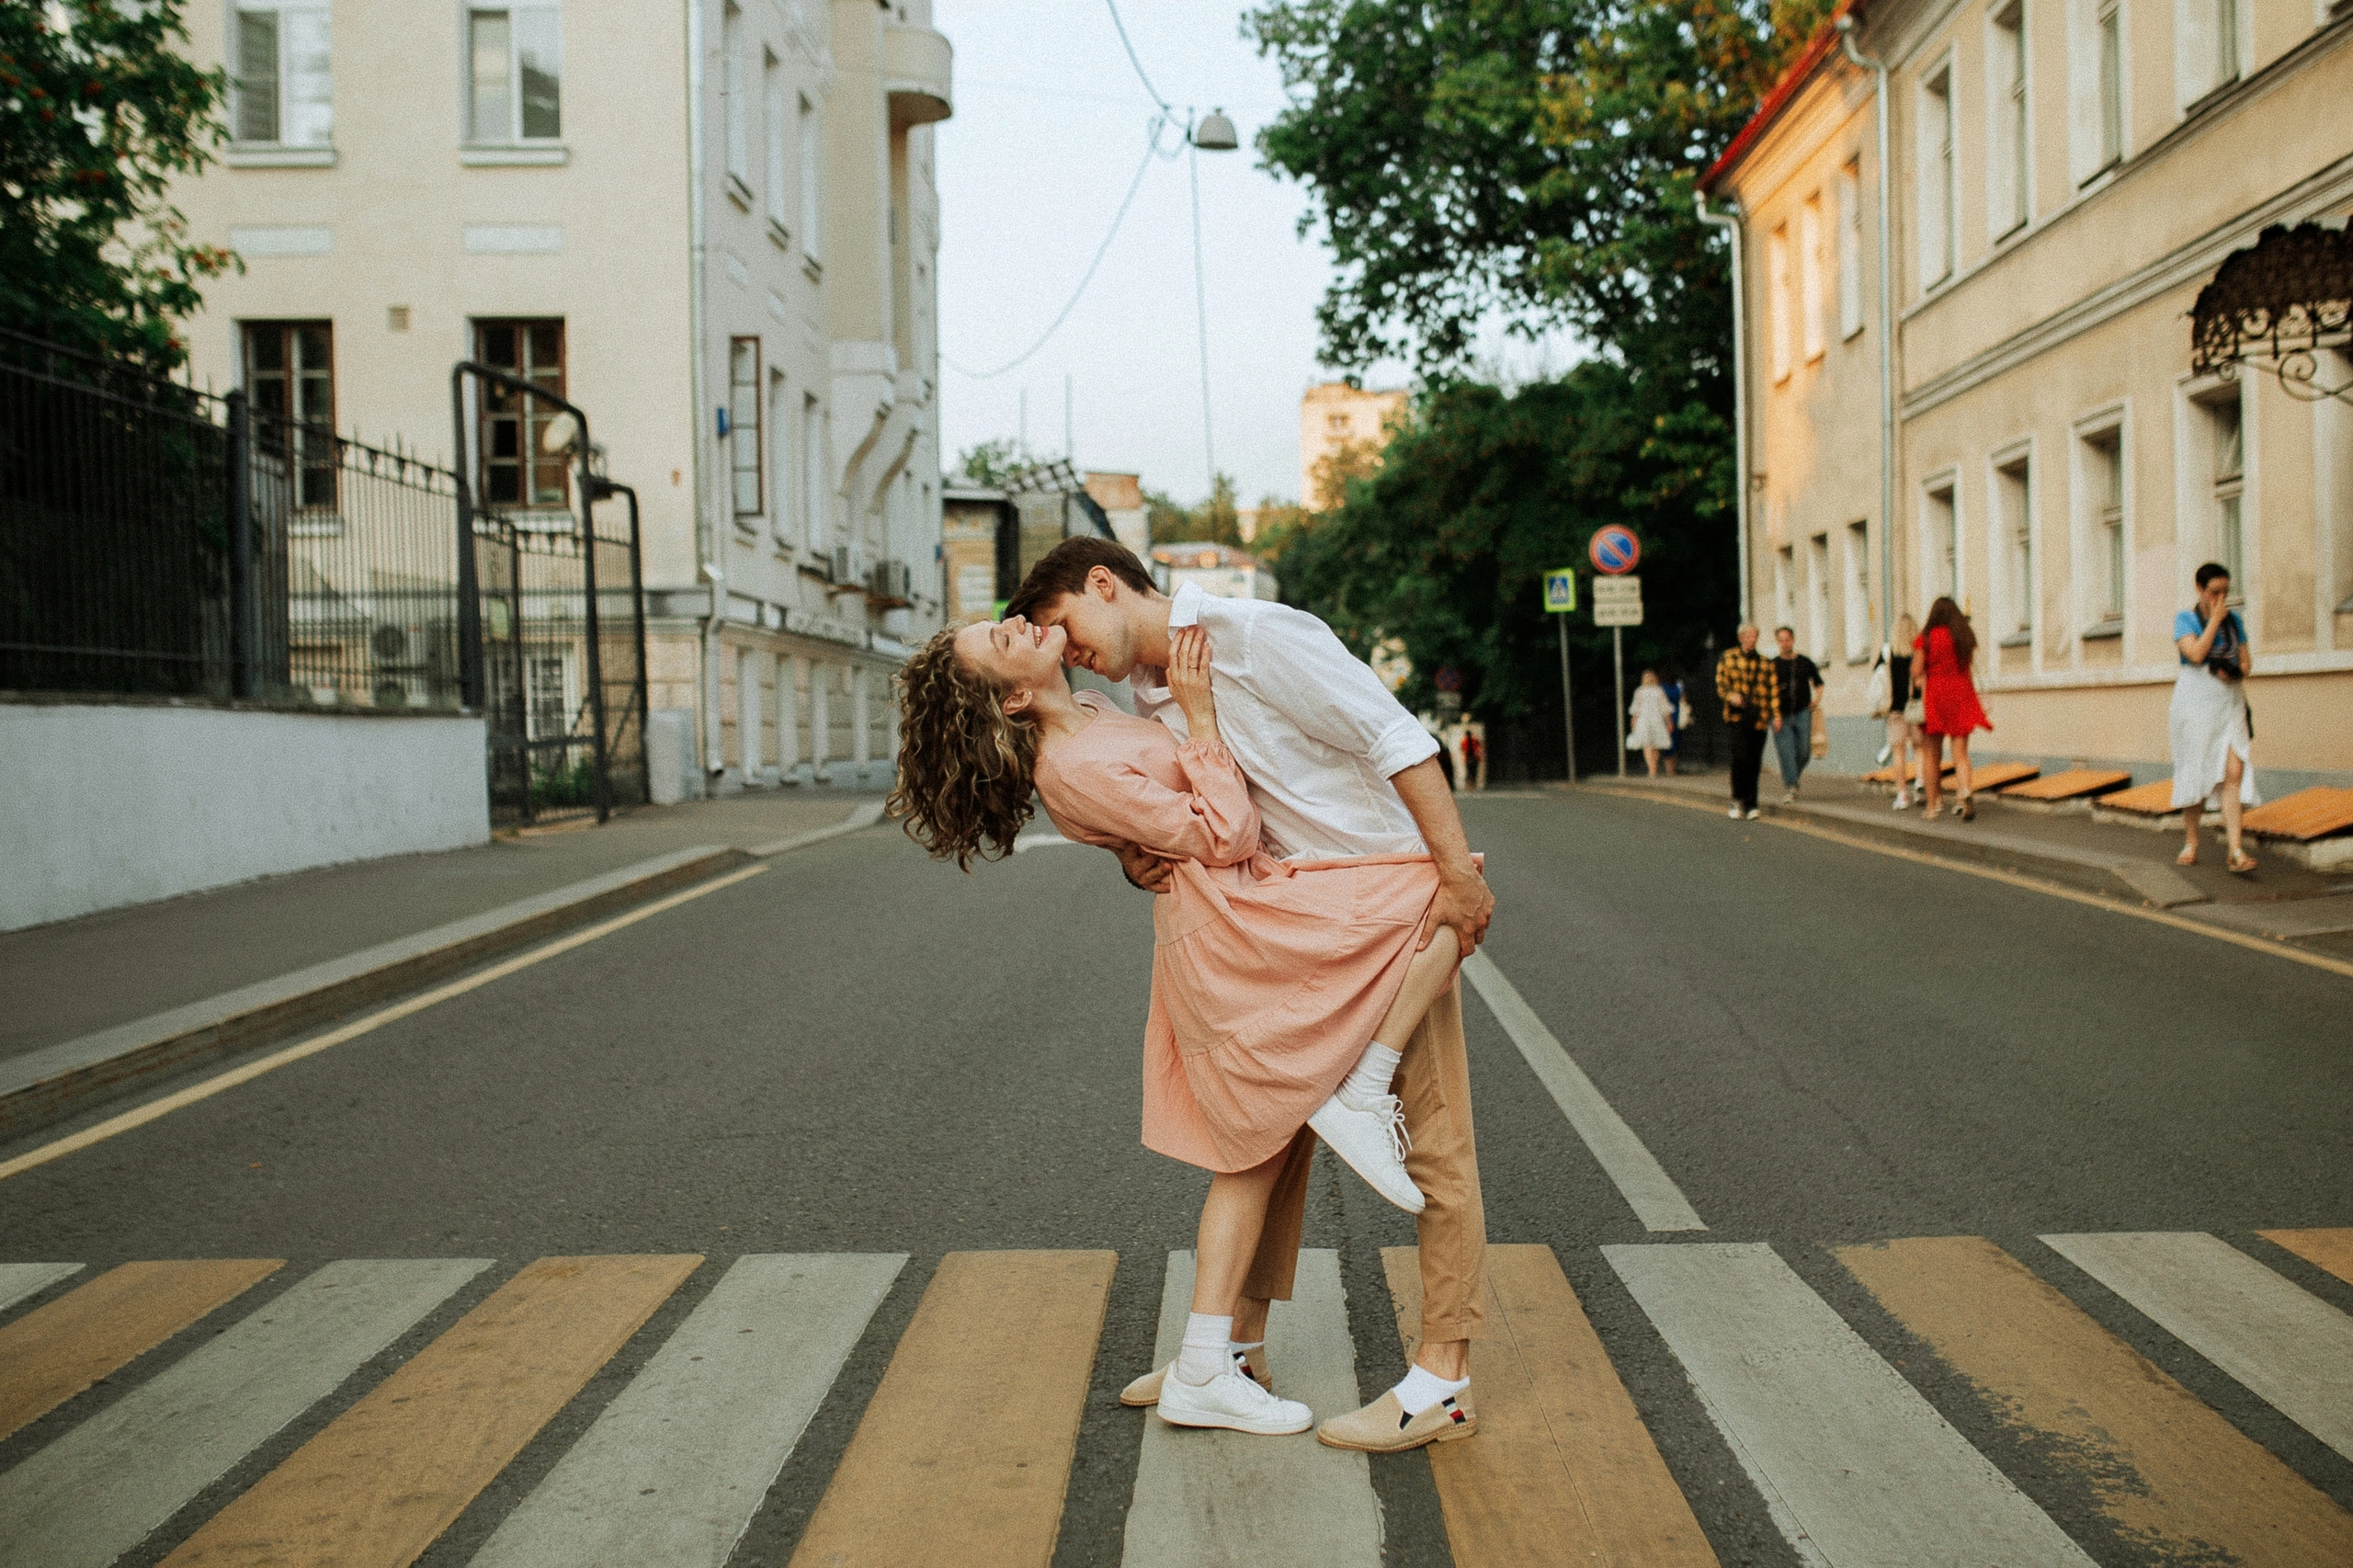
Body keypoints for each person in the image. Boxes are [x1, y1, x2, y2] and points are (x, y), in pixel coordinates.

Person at [889, 615, 1469, 1438]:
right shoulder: (1072, 757)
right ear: (1014, 695)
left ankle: (1222, 1351)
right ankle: (1213, 1356)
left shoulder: (1094, 712)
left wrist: (1128, 840)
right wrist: (1198, 720)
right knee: (1438, 894)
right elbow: (1222, 833)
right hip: (1231, 927)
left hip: (1239, 910)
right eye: (1001, 635)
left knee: (1260, 1146)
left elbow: (1143, 814)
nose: (1019, 620)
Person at [2171, 562, 2258, 872]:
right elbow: (2194, 654)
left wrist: (2235, 671)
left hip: (2228, 702)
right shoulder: (2186, 619)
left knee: (2234, 772)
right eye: (2214, 592)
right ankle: (2191, 841)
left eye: (2225, 592)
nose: (2220, 599)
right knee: (2194, 769)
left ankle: (2236, 849)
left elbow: (2247, 662)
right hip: (2195, 704)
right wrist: (2213, 622)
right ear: (2200, 590)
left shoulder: (2235, 622)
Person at [1912, 597, 1991, 821]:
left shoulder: (1925, 638)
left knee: (1931, 755)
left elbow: (1917, 669)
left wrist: (1922, 673)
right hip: (1962, 692)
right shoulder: (1964, 636)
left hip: (1936, 695)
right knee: (1961, 754)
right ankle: (1964, 793)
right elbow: (1969, 667)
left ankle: (1932, 806)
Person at [1715, 624, 1779, 819]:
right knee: (1740, 759)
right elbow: (1721, 684)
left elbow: (1773, 690)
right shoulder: (1728, 658)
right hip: (1736, 716)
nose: (1752, 639)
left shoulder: (1765, 663)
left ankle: (1752, 803)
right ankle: (1736, 799)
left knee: (1754, 761)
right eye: (1748, 636)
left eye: (1755, 636)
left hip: (1758, 717)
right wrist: (1730, 696)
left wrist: (1776, 715)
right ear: (1741, 637)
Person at [1769, 628, 1824, 801]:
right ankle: (1791, 785)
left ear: (1793, 640)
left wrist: (1816, 699)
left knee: (1804, 751)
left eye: (1787, 639)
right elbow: (1768, 692)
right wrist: (1774, 715)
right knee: (1787, 751)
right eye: (1781, 640)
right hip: (1781, 714)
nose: (1785, 643)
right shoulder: (1773, 665)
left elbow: (1818, 683)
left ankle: (1792, 775)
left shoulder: (1804, 662)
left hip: (1802, 712)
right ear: (1778, 642)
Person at [1873, 615, 1920, 810]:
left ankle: (1902, 795)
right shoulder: (1919, 653)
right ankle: (1920, 785)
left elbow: (1877, 677)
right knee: (1921, 750)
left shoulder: (1887, 652)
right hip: (1917, 708)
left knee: (1898, 752)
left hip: (1895, 711)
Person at [1628, 668, 1675, 778]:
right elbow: (1665, 708)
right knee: (1656, 745)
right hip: (1657, 720)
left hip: (1644, 720)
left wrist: (1633, 721)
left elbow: (1636, 708)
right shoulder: (1659, 691)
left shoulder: (1639, 691)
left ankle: (1651, 768)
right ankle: (1654, 767)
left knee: (1647, 745)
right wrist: (1669, 722)